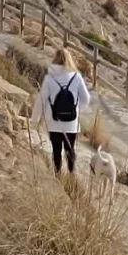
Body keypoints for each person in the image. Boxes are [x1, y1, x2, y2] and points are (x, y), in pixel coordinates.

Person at [32, 47, 91, 175]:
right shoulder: (76, 77)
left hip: (54, 121)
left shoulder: (50, 78)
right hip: (71, 122)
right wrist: (77, 109)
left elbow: (41, 100)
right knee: (70, 149)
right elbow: (86, 98)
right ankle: (71, 174)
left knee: (56, 150)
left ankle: (57, 175)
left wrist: (35, 120)